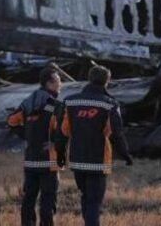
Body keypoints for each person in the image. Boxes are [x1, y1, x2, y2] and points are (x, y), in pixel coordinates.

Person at [54, 65, 132, 226]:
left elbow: (63, 131)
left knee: (86, 197)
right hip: (98, 161)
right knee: (94, 202)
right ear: (107, 82)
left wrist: (59, 154)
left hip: (77, 160)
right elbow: (117, 133)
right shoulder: (110, 104)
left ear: (89, 79)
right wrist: (126, 155)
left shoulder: (70, 102)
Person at [7, 65, 63, 226]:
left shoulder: (28, 103)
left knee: (29, 198)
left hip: (30, 159)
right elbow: (64, 130)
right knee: (48, 199)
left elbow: (11, 121)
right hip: (49, 161)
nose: (61, 84)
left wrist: (27, 136)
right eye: (58, 80)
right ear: (49, 83)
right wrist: (56, 143)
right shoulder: (55, 105)